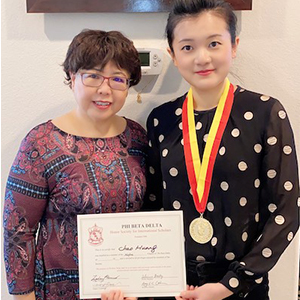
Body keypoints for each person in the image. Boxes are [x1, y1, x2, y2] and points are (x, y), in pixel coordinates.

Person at [143, 0, 299, 299]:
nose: (202, 58)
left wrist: (232, 283)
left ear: (234, 45)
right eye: (187, 47)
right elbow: (152, 204)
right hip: (173, 286)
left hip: (241, 287)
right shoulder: (160, 120)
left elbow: (286, 209)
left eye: (214, 43)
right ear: (173, 55)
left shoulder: (265, 112)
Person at [3, 29, 147, 300]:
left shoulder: (137, 137)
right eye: (92, 76)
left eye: (118, 79)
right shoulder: (41, 142)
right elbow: (17, 231)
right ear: (71, 77)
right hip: (61, 291)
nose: (105, 89)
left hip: (128, 290)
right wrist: (23, 297)